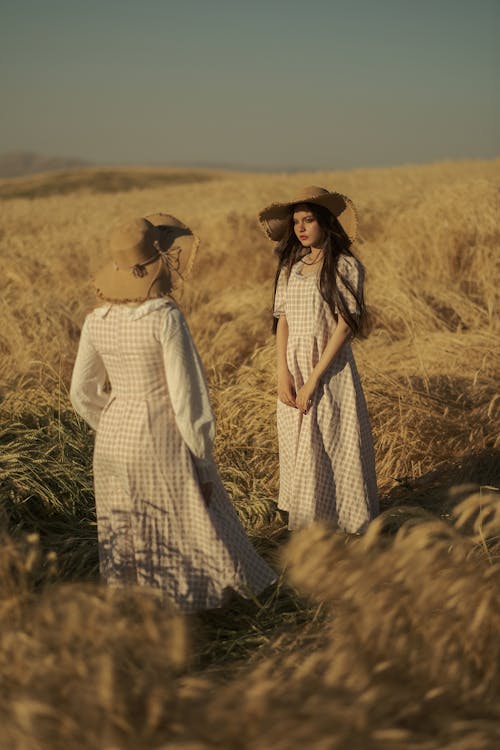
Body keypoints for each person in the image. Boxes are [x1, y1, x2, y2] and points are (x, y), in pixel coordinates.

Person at [70, 213, 276, 612]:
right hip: (159, 436)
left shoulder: (96, 320)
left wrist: (112, 419)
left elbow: (81, 392)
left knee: (127, 525)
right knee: (181, 520)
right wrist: (202, 460)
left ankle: (135, 610)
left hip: (112, 440)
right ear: (157, 262)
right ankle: (189, 606)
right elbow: (188, 396)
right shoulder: (164, 317)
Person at [258, 186, 379, 534]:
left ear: (325, 222)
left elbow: (344, 327)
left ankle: (346, 523)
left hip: (329, 364)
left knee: (334, 439)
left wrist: (314, 378)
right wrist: (283, 372)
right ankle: (308, 521)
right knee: (299, 441)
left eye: (308, 219)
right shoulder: (290, 267)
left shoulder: (345, 265)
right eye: (296, 221)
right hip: (294, 364)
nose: (301, 227)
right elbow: (282, 321)